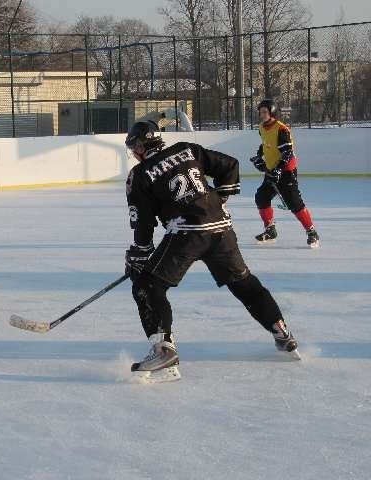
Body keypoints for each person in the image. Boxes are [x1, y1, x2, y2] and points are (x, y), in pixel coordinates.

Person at [124, 120, 300, 382]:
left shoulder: (140, 174)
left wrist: (137, 257)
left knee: (147, 285)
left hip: (187, 232)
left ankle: (163, 349)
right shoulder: (187, 149)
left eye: (133, 147)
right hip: (221, 228)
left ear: (139, 145)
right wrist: (216, 201)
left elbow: (144, 224)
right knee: (243, 282)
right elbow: (230, 165)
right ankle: (280, 330)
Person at [250, 99, 320, 248]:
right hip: (272, 169)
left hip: (286, 170)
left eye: (264, 112)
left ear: (272, 112)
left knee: (294, 202)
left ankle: (312, 232)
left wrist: (278, 169)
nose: (261, 115)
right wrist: (259, 156)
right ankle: (270, 231)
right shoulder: (262, 127)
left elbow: (287, 153)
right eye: (260, 112)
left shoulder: (281, 129)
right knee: (261, 197)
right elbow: (265, 144)